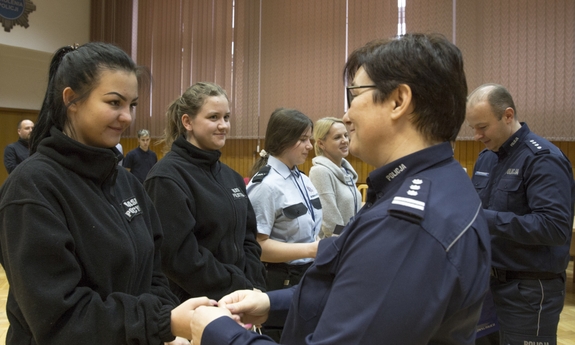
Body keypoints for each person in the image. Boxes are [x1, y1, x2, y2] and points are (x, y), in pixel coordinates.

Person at [189, 33, 491, 345]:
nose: (346, 116)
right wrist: (271, 304)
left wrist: (218, 333)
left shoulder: (406, 226)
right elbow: (357, 295)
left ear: (398, 101)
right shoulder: (437, 183)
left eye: (354, 95)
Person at [0, 42, 210, 345]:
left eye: (132, 105)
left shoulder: (126, 183)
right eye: (114, 102)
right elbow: (60, 319)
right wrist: (162, 321)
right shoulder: (32, 187)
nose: (127, 117)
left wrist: (160, 322)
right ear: (72, 100)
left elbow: (156, 272)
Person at [466, 83, 575, 344]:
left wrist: (483, 218)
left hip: (529, 290)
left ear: (508, 115)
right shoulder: (486, 158)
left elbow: (555, 227)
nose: (477, 136)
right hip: (488, 287)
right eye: (473, 129)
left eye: (483, 127)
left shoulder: (543, 158)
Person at [144, 82, 266, 303]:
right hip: (194, 305)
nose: (223, 126)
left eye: (226, 117)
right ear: (187, 122)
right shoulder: (166, 177)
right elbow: (180, 258)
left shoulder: (231, 177)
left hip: (242, 299)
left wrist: (254, 286)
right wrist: (238, 287)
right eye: (213, 117)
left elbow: (248, 239)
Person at [246, 108, 322, 340]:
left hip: (307, 274)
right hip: (280, 279)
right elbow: (257, 248)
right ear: (282, 140)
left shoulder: (302, 179)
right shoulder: (265, 186)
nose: (310, 145)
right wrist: (312, 250)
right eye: (302, 139)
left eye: (309, 139)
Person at [309, 117, 361, 238]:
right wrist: (344, 242)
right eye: (337, 137)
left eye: (346, 135)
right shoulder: (320, 172)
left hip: (351, 241)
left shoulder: (346, 171)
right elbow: (330, 222)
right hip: (337, 246)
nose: (345, 141)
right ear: (321, 143)